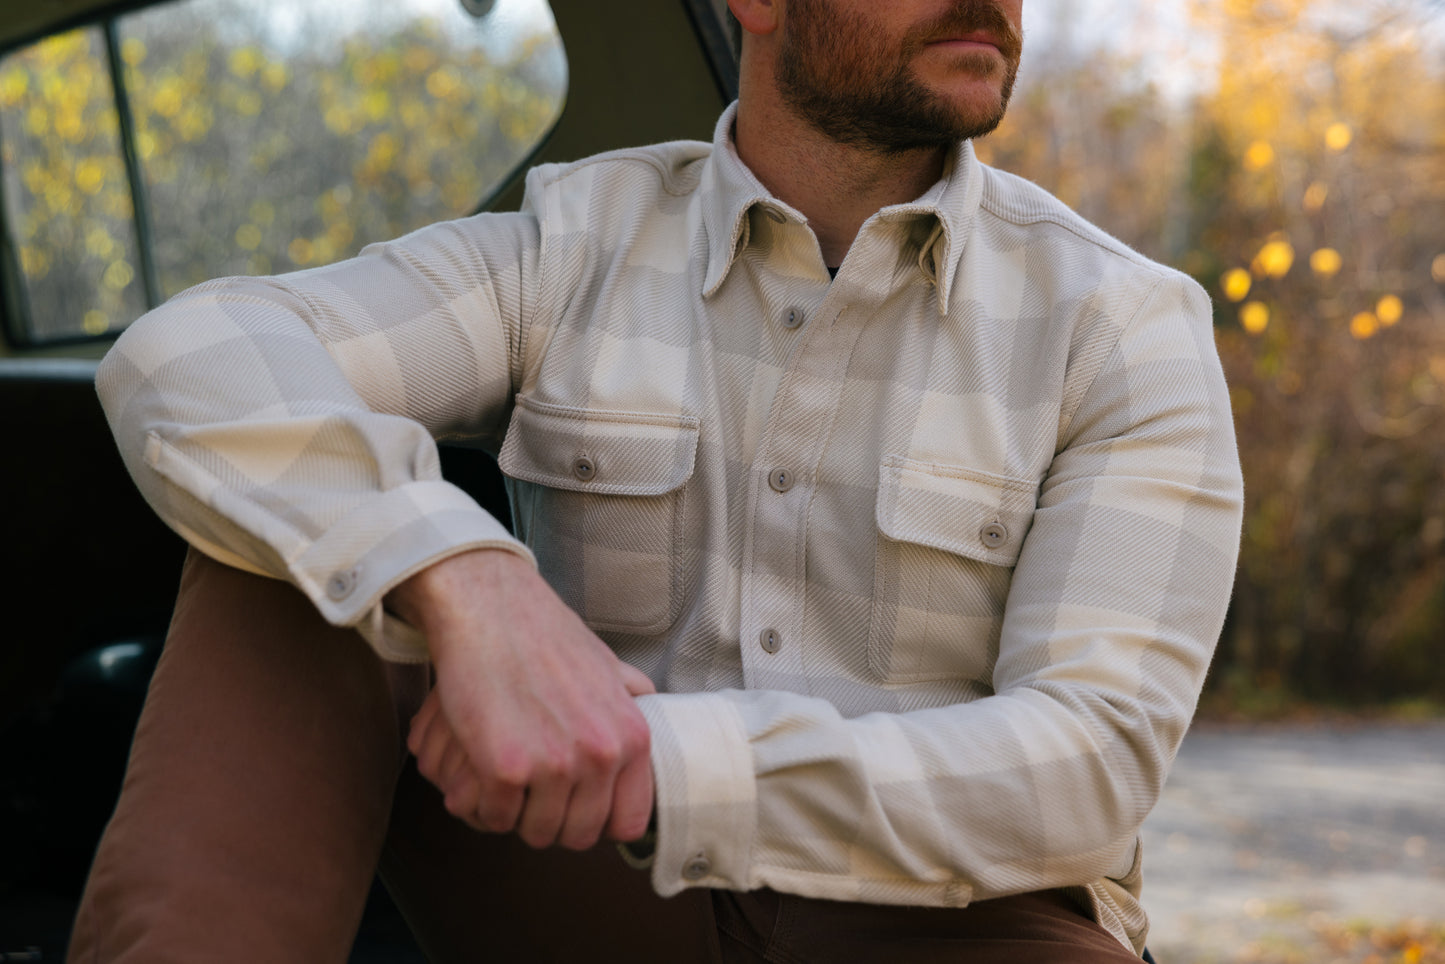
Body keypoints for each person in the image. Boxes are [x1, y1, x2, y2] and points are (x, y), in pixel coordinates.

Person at [74, 0, 1243, 960]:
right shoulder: (572, 245)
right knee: (288, 538)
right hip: (589, 887)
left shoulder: (1122, 325)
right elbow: (192, 351)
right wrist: (464, 574)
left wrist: (668, 764)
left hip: (962, 917)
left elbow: (1088, 763)